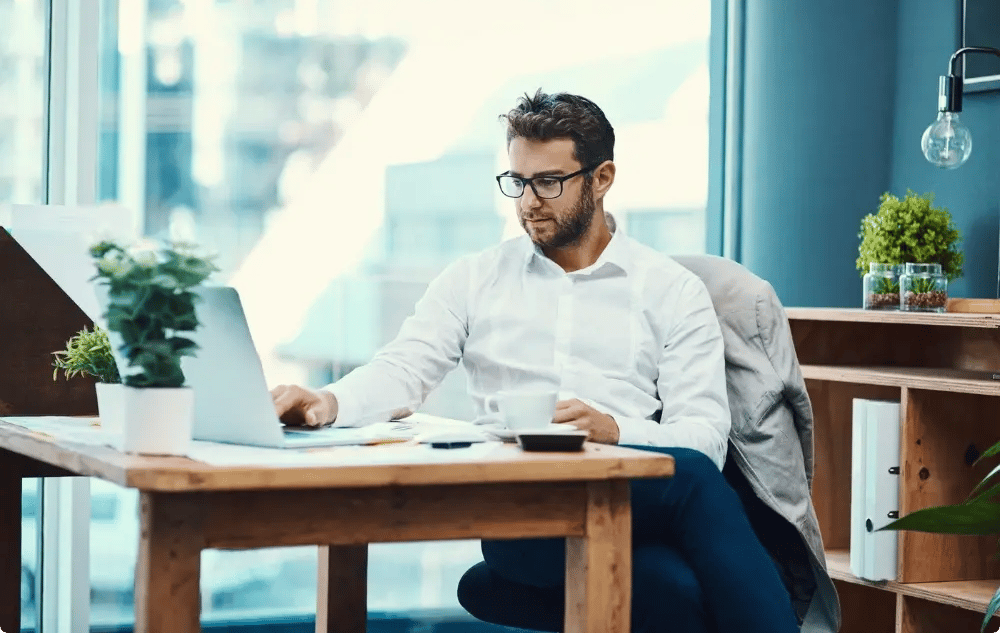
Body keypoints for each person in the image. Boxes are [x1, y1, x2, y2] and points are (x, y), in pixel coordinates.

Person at [271, 90, 800, 633]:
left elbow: (705, 441)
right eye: (517, 182)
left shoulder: (672, 291)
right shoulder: (475, 278)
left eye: (548, 182)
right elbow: (404, 368)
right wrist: (328, 401)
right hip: (518, 506)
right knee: (682, 536)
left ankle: (501, 593)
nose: (528, 202)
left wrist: (615, 430)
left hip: (627, 502)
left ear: (602, 178)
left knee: (674, 584)